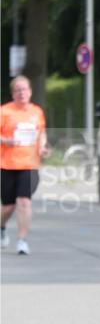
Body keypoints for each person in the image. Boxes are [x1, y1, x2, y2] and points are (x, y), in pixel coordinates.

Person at [0, 75, 49, 255]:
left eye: (24, 89)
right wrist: (5, 140)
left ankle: (22, 241)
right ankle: (1, 227)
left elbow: (41, 134)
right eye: (18, 90)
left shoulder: (37, 112)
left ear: (30, 91)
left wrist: (43, 147)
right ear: (13, 93)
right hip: (7, 164)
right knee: (8, 206)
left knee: (24, 201)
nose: (21, 93)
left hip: (29, 165)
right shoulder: (4, 111)